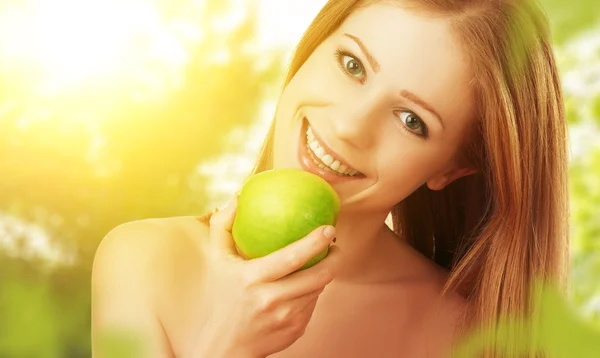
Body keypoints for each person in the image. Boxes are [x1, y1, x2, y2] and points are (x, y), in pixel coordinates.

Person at [91, 0, 570, 357]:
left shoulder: (476, 338)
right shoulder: (143, 262)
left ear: (451, 169)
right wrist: (229, 345)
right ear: (312, 47)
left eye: (411, 120)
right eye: (352, 65)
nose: (348, 126)